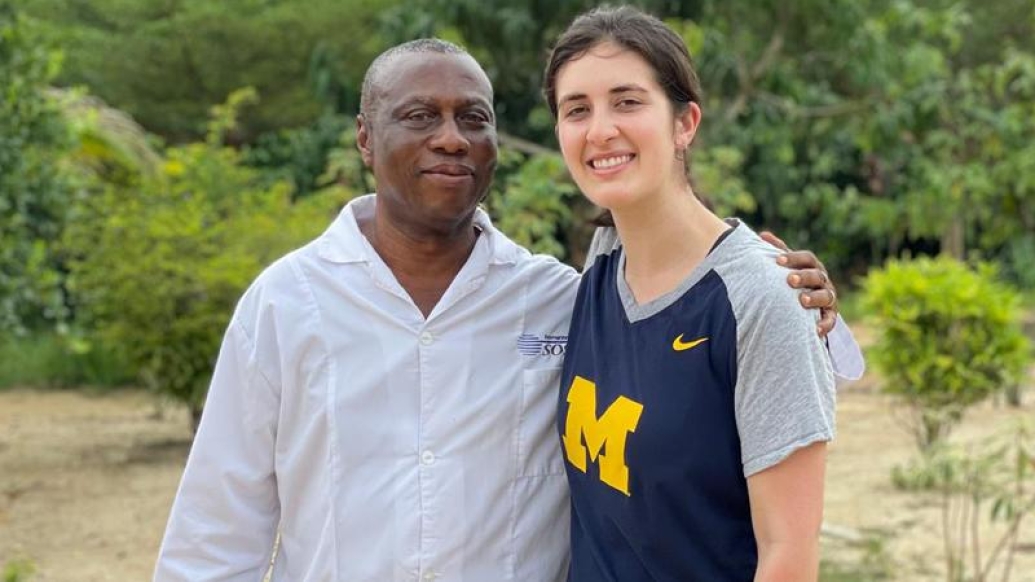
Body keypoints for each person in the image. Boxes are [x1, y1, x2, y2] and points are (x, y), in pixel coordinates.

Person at [153, 38, 861, 582]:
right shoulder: (285, 304)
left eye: (474, 118)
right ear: (365, 138)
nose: (451, 137)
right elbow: (217, 535)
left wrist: (802, 298)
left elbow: (710, 316)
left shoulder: (556, 296)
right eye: (418, 117)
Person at [545, 6, 839, 581]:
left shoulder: (761, 299)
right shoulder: (601, 264)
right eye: (576, 109)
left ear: (685, 123)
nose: (600, 129)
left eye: (628, 102)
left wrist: (773, 282)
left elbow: (790, 555)